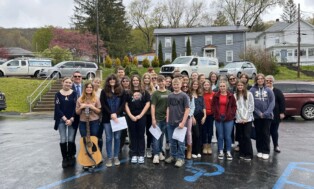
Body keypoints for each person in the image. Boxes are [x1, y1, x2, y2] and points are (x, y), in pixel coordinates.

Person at [100, 74, 127, 167]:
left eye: (113, 79)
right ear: (108, 81)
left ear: (116, 81)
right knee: (108, 138)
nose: (112, 80)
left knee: (117, 138)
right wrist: (111, 113)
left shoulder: (121, 91)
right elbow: (103, 104)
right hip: (107, 118)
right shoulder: (104, 92)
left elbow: (123, 104)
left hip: (118, 118)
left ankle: (116, 156)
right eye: (110, 79)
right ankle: (109, 157)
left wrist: (116, 113)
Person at [125, 75, 150, 164]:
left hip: (141, 116)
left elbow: (147, 104)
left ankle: (141, 154)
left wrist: (140, 115)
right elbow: (126, 105)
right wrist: (131, 115)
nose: (135, 82)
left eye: (137, 80)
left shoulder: (144, 92)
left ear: (139, 81)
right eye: (134, 80)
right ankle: (134, 154)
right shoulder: (128, 92)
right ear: (132, 82)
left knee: (141, 135)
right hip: (131, 116)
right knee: (132, 135)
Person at [165, 78, 190, 167]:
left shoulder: (184, 96)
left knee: (180, 142)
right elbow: (168, 108)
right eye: (174, 84)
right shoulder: (170, 95)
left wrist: (183, 122)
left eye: (177, 84)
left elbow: (187, 109)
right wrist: (167, 120)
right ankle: (173, 156)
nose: (176, 86)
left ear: (181, 85)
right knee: (172, 141)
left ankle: (181, 158)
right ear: (172, 85)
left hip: (180, 122)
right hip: (171, 122)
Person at [250, 74, 275, 160]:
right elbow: (251, 103)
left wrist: (266, 113)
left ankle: (266, 151)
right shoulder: (252, 90)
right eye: (258, 79)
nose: (260, 80)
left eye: (261, 79)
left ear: (264, 80)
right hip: (257, 117)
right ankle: (259, 150)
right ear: (256, 80)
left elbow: (272, 102)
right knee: (259, 133)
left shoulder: (268, 90)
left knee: (266, 134)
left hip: (267, 117)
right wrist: (258, 113)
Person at [54, 77, 77, 168]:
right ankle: (64, 158)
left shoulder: (74, 94)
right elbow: (57, 108)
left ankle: (71, 156)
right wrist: (65, 119)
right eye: (66, 82)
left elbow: (76, 107)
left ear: (72, 84)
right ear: (62, 83)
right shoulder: (58, 94)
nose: (68, 84)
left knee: (71, 139)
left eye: (70, 83)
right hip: (61, 120)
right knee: (63, 139)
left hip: (72, 119)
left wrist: (71, 119)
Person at [212, 80, 237, 160]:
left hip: (228, 118)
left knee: (228, 136)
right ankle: (220, 151)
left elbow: (234, 106)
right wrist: (215, 114)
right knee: (220, 136)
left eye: (224, 86)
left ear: (226, 87)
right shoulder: (215, 95)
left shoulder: (231, 95)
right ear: (219, 87)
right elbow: (213, 106)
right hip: (219, 118)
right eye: (221, 86)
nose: (222, 88)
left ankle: (228, 151)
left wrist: (231, 114)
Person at [151, 75, 170, 164]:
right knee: (156, 137)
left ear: (165, 82)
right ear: (157, 83)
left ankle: (159, 152)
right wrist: (153, 119)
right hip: (157, 118)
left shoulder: (169, 93)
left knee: (162, 137)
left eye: (162, 81)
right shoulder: (155, 93)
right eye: (159, 81)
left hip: (165, 118)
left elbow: (169, 106)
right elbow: (153, 106)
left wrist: (168, 116)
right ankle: (155, 155)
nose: (161, 83)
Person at [234, 80, 254, 161]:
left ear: (244, 86)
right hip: (239, 119)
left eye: (241, 85)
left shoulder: (249, 94)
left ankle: (249, 154)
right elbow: (235, 108)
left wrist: (246, 118)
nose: (240, 87)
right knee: (241, 137)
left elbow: (251, 107)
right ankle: (242, 153)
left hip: (248, 119)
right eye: (238, 85)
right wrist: (240, 118)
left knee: (246, 136)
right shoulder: (235, 96)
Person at [265, 75, 285, 153]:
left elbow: (282, 102)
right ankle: (266, 147)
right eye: (267, 80)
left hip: (275, 115)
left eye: (270, 81)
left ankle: (276, 145)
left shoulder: (277, 91)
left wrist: (282, 112)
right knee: (266, 132)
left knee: (274, 131)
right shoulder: (263, 91)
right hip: (265, 116)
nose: (268, 82)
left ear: (273, 82)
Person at [190, 80, 206, 158]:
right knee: (196, 134)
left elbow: (203, 107)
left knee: (200, 134)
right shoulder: (189, 95)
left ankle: (199, 151)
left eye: (197, 84)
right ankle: (194, 151)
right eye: (194, 84)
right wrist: (192, 117)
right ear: (192, 85)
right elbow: (189, 107)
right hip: (194, 116)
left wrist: (205, 116)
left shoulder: (200, 96)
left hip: (201, 116)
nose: (195, 85)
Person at [141, 73, 156, 158]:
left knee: (149, 132)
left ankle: (148, 148)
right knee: (141, 132)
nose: (146, 79)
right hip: (142, 113)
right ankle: (142, 149)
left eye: (148, 78)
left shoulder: (153, 89)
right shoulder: (140, 89)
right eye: (145, 78)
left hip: (150, 113)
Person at [70, 71, 83, 161]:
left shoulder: (86, 87)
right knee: (72, 136)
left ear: (81, 78)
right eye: (75, 76)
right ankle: (72, 154)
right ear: (73, 77)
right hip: (73, 115)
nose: (77, 77)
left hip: (84, 115)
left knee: (85, 136)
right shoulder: (69, 87)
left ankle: (85, 153)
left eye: (79, 76)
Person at [181, 81, 195, 160]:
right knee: (181, 133)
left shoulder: (191, 96)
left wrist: (190, 115)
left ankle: (189, 150)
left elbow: (192, 107)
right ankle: (181, 149)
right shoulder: (179, 95)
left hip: (188, 117)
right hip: (180, 117)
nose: (185, 88)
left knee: (188, 133)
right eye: (184, 86)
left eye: (186, 86)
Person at [202, 80, 215, 155]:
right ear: (203, 86)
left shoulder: (213, 94)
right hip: (203, 115)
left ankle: (209, 146)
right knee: (204, 131)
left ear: (210, 86)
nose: (206, 86)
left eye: (208, 85)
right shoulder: (201, 94)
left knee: (210, 131)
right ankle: (204, 146)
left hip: (210, 115)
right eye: (205, 85)